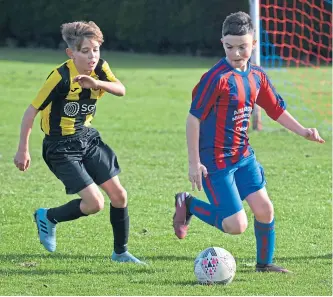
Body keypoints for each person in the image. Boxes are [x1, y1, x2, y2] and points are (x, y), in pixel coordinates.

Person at [172, 11, 325, 273]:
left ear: (254, 44)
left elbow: (275, 109)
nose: (236, 53)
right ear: (222, 43)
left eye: (242, 46)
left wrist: (303, 131)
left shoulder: (257, 76)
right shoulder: (215, 78)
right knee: (236, 225)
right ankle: (189, 205)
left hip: (243, 156)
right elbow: (193, 119)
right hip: (214, 161)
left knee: (265, 210)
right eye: (230, 46)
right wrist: (194, 163)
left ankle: (263, 265)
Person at [14, 21, 145, 264]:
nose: (92, 56)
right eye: (85, 51)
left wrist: (97, 84)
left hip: (87, 138)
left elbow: (121, 89)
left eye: (95, 49)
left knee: (119, 196)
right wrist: (23, 149)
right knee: (95, 203)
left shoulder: (101, 68)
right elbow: (31, 111)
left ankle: (120, 253)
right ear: (71, 53)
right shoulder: (60, 76)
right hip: (60, 147)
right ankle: (48, 217)